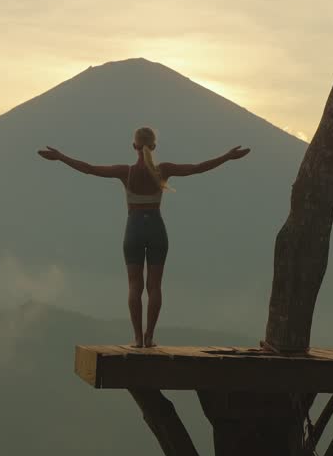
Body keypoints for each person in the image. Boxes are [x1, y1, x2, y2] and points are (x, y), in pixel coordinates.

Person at [37, 126, 251, 347]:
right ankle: (150, 337)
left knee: (134, 286)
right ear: (154, 146)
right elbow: (197, 168)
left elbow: (89, 169)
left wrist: (60, 157)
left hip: (134, 230)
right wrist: (227, 156)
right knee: (155, 287)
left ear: (134, 146)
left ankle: (138, 338)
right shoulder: (163, 170)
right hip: (157, 229)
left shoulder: (126, 172)